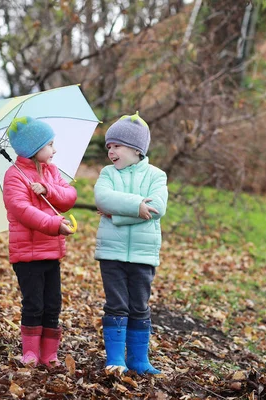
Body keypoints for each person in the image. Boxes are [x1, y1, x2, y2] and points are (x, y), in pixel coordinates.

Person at [94, 111, 168, 375]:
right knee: (116, 304)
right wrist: (137, 207)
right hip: (111, 253)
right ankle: (115, 359)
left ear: (136, 149)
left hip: (143, 254)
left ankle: (139, 359)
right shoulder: (108, 173)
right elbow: (103, 199)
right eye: (109, 147)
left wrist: (118, 216)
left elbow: (157, 207)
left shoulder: (157, 176)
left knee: (139, 305)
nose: (111, 151)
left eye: (116, 146)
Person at [3, 116, 76, 368]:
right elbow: (22, 210)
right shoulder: (14, 176)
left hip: (51, 253)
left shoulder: (51, 172)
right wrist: (54, 224)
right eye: (50, 144)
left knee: (53, 303)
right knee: (34, 303)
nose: (54, 150)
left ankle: (49, 354)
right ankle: (31, 353)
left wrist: (48, 189)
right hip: (27, 255)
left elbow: (69, 196)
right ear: (35, 148)